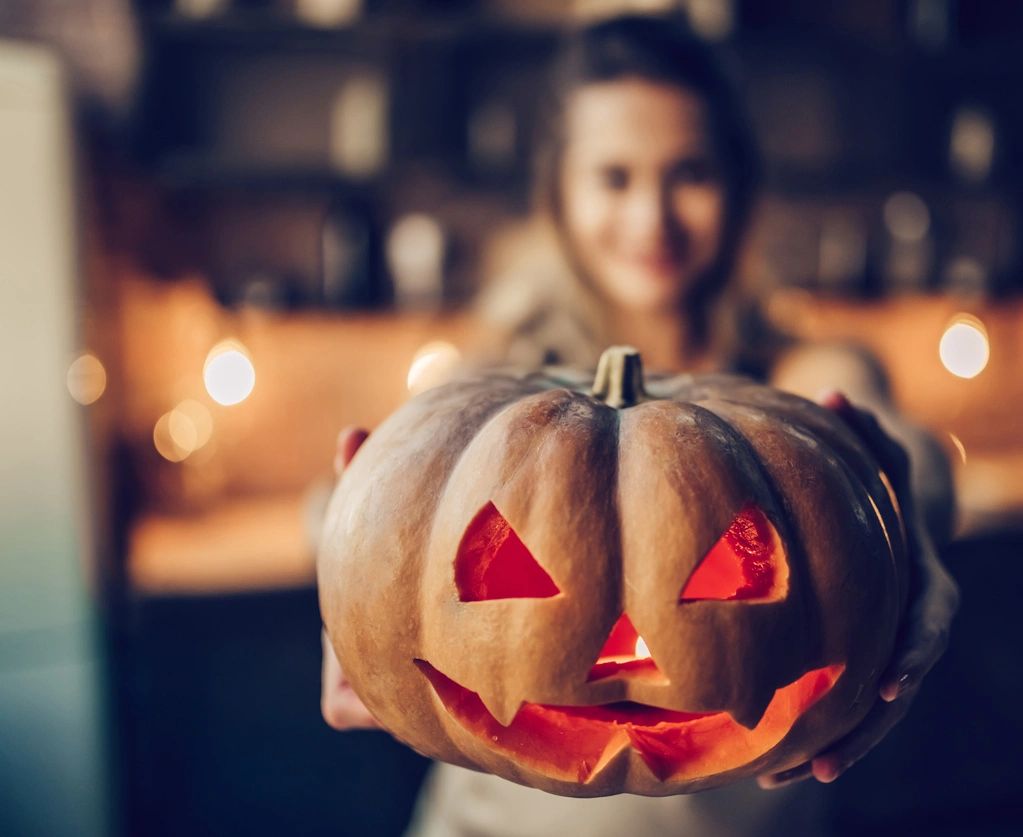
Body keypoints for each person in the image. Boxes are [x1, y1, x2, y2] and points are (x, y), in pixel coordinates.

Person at [320, 14, 959, 836]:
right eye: (615, 177)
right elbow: (381, 496)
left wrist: (906, 532)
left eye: (688, 172)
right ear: (561, 193)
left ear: (738, 184)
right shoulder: (491, 383)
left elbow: (902, 452)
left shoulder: (797, 377)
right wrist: (355, 586)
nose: (652, 216)